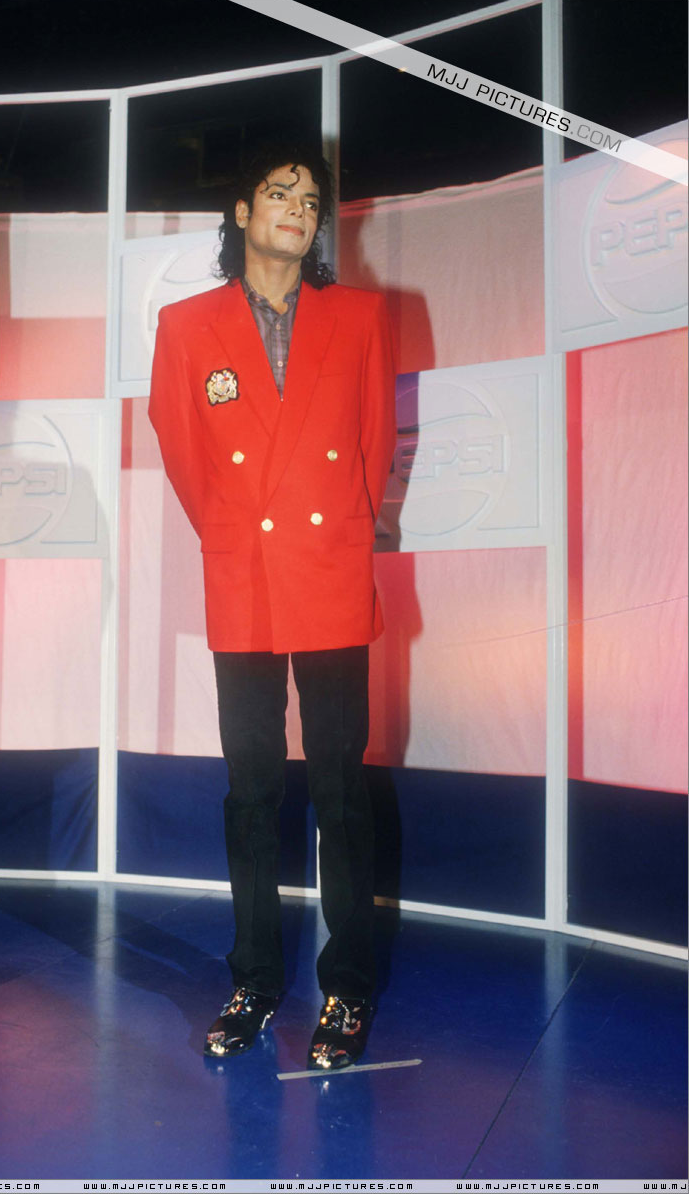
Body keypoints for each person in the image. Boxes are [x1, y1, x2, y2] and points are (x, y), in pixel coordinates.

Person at [148, 140, 396, 1070]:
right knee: (251, 791)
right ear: (242, 213)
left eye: (311, 199)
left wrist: (341, 538)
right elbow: (180, 445)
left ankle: (348, 986)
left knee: (340, 789)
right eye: (279, 192)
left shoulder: (360, 317)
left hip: (330, 572)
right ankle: (252, 980)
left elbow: (373, 441)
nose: (298, 208)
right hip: (244, 574)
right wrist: (230, 532)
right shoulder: (185, 325)